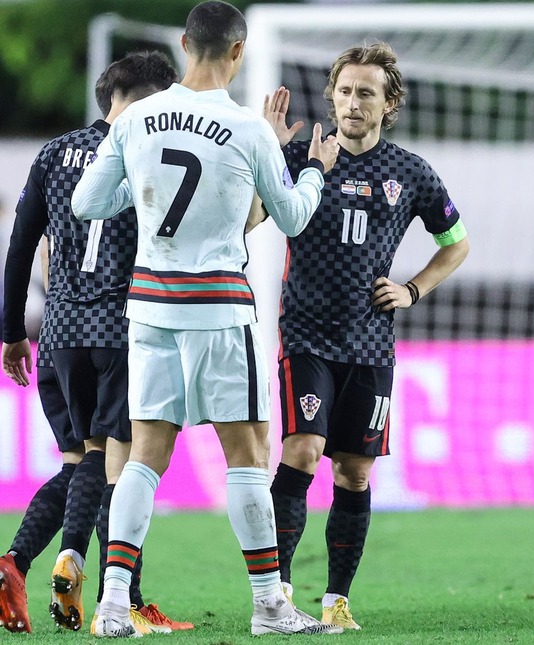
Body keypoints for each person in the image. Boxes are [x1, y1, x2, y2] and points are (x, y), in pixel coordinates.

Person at [71, 1, 341, 638]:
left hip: (150, 306)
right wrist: (314, 171)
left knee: (145, 455)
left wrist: (135, 195)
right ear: (239, 51)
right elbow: (295, 217)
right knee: (247, 454)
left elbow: (88, 203)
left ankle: (112, 606)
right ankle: (271, 606)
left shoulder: (135, 118)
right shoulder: (247, 128)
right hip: (219, 308)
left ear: (186, 44)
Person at [264, 42, 469, 630]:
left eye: (366, 94)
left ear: (389, 104)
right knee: (302, 449)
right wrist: (274, 154)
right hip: (304, 334)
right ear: (332, 95)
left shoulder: (410, 173)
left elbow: (456, 243)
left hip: (371, 343)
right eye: (345, 91)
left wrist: (413, 289)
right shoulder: (301, 154)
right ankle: (275, 592)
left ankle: (336, 601)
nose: (353, 103)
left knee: (353, 473)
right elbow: (253, 211)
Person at [0, 52, 188, 635]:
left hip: (58, 334)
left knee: (82, 460)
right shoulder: (153, 152)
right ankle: (95, 576)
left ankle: (16, 562)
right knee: (122, 466)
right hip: (124, 330)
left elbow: (21, 244)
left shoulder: (54, 152)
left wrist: (11, 331)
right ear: (154, 99)